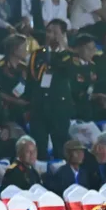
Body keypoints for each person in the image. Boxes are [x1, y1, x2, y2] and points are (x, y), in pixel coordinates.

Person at [28, 20, 74, 159]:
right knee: (39, 146)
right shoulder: (37, 54)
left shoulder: (69, 55)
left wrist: (62, 48)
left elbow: (68, 71)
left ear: (63, 34)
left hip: (59, 107)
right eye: (48, 31)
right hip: (39, 106)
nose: (49, 35)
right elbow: (31, 80)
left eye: (54, 32)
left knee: (60, 146)